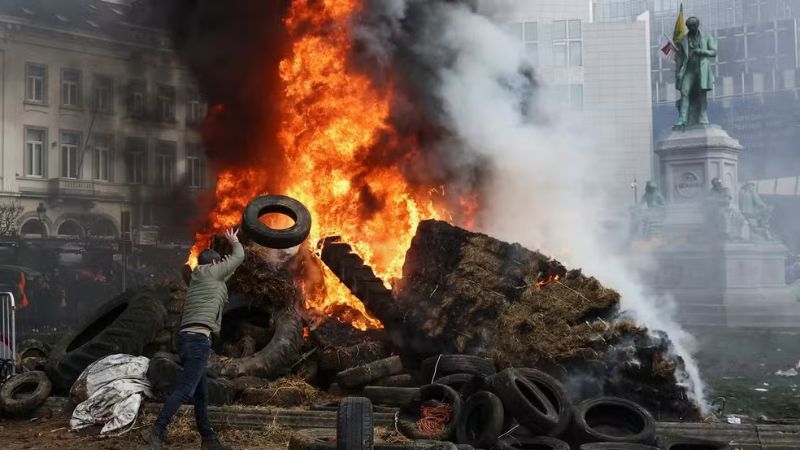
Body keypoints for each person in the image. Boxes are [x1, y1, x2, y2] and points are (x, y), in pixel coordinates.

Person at [142, 228, 244, 450]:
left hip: (188, 339)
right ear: (216, 263)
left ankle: (208, 440)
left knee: (201, 394)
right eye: (220, 264)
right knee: (185, 390)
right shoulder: (212, 273)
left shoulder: (200, 276)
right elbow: (239, 258)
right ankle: (157, 431)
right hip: (197, 340)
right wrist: (234, 241)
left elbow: (228, 273)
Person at [674, 16, 717, 128]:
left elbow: (714, 52)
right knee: (684, 91)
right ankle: (682, 118)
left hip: (702, 69)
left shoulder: (707, 37)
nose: (691, 27)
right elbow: (679, 58)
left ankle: (702, 116)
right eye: (689, 26)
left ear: (697, 25)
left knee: (701, 93)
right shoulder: (684, 40)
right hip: (689, 70)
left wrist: (701, 51)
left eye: (694, 25)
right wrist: (678, 72)